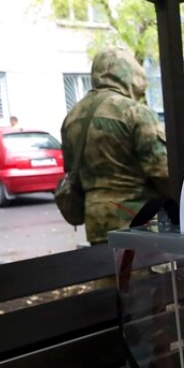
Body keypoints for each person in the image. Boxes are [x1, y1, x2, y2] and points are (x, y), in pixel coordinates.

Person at [59, 49, 174, 244]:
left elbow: (71, 171)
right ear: (129, 75)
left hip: (96, 225)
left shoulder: (72, 117)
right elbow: (162, 171)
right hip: (138, 222)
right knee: (143, 274)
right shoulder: (134, 111)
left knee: (107, 272)